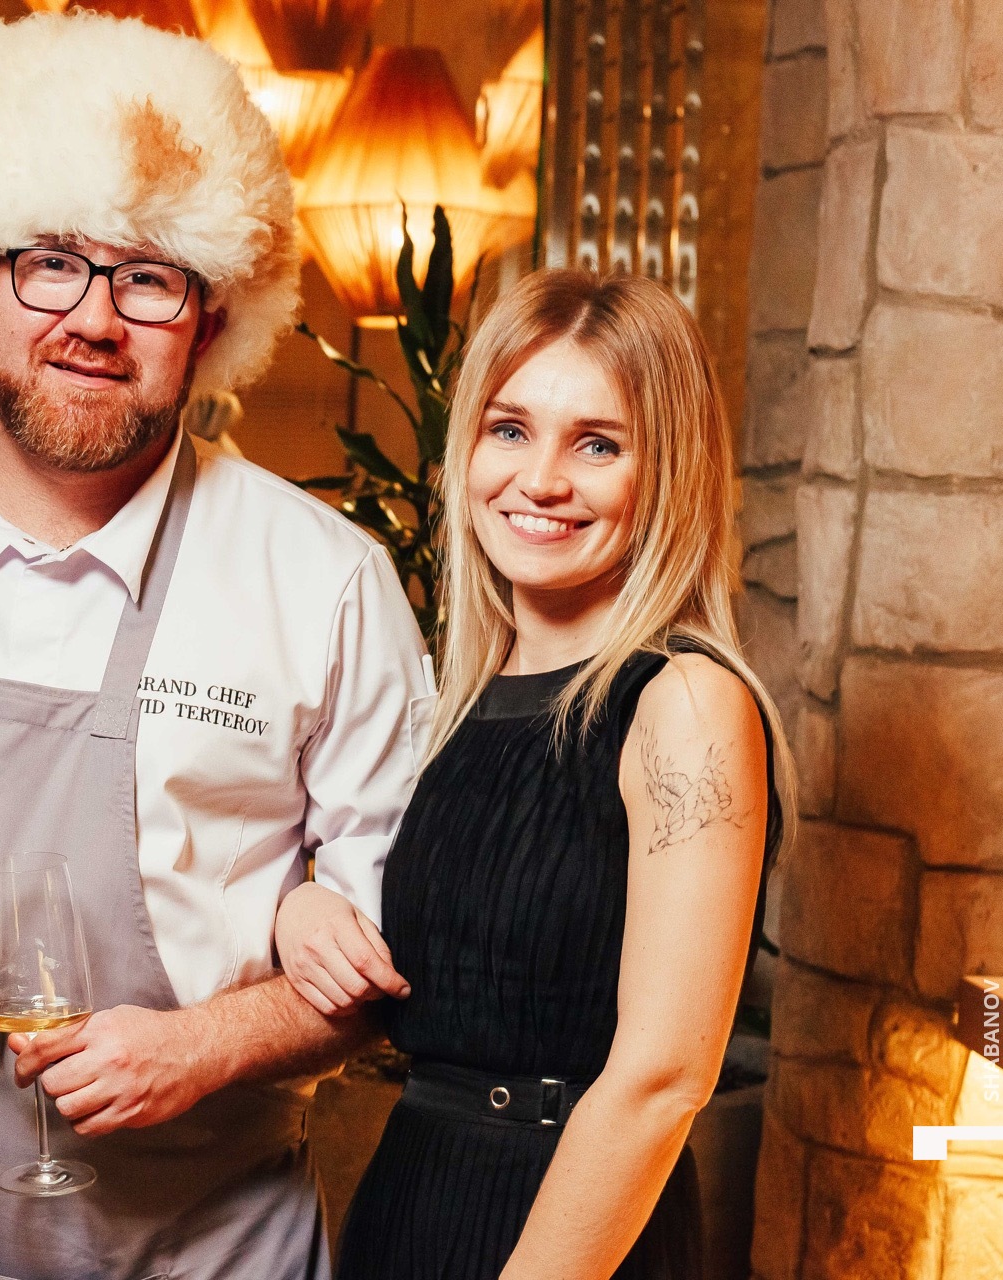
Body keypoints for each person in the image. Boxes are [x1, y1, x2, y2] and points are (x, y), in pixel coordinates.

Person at [0, 13, 429, 1278]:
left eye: (150, 276)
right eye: (51, 261)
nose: (95, 319)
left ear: (212, 317)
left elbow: (394, 944)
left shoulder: (323, 580)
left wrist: (207, 1042)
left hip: (203, 1252)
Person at [275, 271, 794, 1279]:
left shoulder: (686, 702)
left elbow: (661, 1081)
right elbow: (441, 964)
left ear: (668, 473)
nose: (541, 480)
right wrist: (304, 908)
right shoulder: (461, 703)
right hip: (410, 1201)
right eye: (510, 429)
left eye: (597, 444)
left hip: (573, 1235)